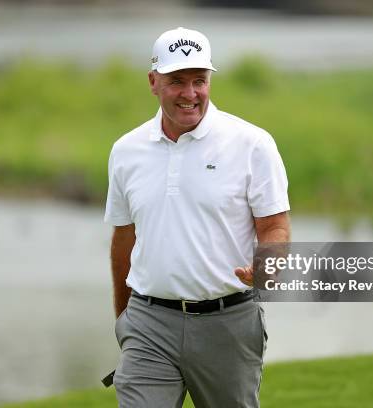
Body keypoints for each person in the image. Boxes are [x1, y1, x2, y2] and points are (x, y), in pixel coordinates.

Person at [104, 26, 291, 408]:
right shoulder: (126, 151)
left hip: (228, 323)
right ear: (153, 82)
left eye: (199, 81)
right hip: (149, 323)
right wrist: (124, 318)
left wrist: (268, 262)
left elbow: (274, 226)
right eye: (177, 82)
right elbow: (124, 238)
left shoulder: (252, 144)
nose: (190, 94)